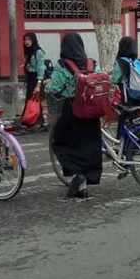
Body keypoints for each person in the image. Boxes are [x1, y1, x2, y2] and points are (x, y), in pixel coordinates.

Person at [45, 33, 104, 199]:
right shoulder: (92, 63)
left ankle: (76, 176)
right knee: (89, 148)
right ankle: (84, 185)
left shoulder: (63, 65)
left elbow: (54, 88)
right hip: (92, 114)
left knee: (61, 143)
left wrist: (48, 86)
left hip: (72, 111)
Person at [21, 32, 48, 129]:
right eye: (25, 40)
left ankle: (33, 121)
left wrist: (38, 84)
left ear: (33, 40)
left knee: (34, 100)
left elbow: (41, 68)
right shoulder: (29, 52)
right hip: (31, 78)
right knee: (32, 100)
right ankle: (36, 121)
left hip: (37, 79)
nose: (26, 42)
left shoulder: (38, 52)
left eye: (29, 39)